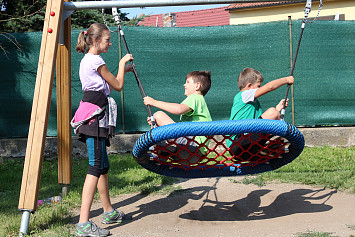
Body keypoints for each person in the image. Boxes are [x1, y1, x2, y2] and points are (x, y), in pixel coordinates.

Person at [71, 23, 133, 237]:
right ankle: (83, 223)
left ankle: (108, 211)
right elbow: (117, 85)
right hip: (94, 117)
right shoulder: (97, 60)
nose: (109, 43)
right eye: (107, 40)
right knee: (95, 166)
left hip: (94, 114)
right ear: (96, 41)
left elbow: (107, 83)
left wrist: (122, 70)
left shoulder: (88, 60)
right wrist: (122, 63)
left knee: (102, 165)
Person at [143, 70, 212, 164]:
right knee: (156, 120)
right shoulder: (200, 102)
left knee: (158, 115)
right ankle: (161, 152)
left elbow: (179, 109)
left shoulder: (195, 97)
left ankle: (160, 151)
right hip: (196, 154)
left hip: (193, 146)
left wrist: (154, 102)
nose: (184, 85)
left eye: (188, 82)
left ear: (197, 86)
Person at [228, 67, 294, 159]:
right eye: (259, 86)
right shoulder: (244, 95)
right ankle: (268, 143)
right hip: (238, 144)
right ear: (249, 86)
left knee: (274, 113)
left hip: (244, 146)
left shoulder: (251, 104)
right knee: (272, 112)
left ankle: (265, 149)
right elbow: (269, 87)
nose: (260, 88)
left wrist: (277, 109)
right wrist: (286, 79)